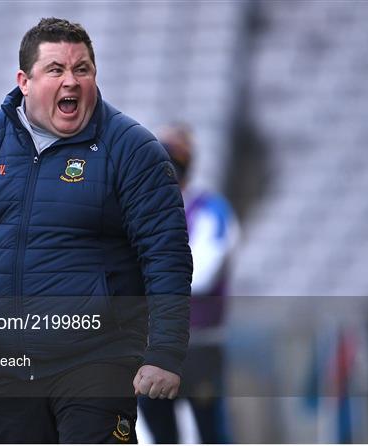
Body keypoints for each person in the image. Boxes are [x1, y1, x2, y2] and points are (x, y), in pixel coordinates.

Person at [0, 18, 192, 444]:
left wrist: (165, 352)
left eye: (83, 69)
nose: (71, 81)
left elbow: (166, 253)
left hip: (100, 361)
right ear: (25, 80)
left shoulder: (132, 149)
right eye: (56, 69)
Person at [138, 124, 239, 443]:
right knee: (161, 432)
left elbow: (202, 275)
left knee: (210, 431)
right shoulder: (141, 212)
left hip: (199, 344)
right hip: (153, 346)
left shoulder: (211, 211)